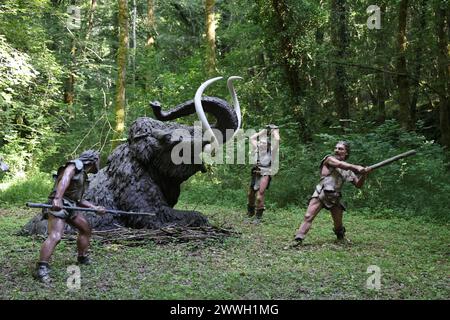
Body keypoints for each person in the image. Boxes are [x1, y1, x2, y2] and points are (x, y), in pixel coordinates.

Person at [35, 150, 106, 284]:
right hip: (59, 204)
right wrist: (57, 198)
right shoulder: (74, 166)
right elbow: (65, 179)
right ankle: (41, 267)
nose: (99, 164)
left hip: (71, 206)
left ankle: (82, 257)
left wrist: (95, 208)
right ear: (94, 160)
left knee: (85, 229)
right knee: (56, 236)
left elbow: (79, 200)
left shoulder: (84, 175)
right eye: (98, 160)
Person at [293, 141, 371, 244]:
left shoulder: (348, 170)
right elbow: (340, 164)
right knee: (308, 216)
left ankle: (340, 238)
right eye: (336, 148)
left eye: (340, 149)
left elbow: (358, 185)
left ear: (346, 152)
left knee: (338, 223)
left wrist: (364, 175)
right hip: (321, 193)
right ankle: (298, 238)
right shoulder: (329, 159)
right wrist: (357, 167)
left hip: (335, 196)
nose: (337, 150)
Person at [247, 124, 280, 222]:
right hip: (255, 172)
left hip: (265, 172)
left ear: (268, 145)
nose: (261, 144)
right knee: (250, 194)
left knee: (259, 195)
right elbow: (252, 138)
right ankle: (250, 213)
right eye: (260, 142)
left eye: (263, 143)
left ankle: (258, 217)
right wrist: (264, 131)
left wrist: (275, 130)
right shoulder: (257, 148)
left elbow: (277, 140)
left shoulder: (272, 151)